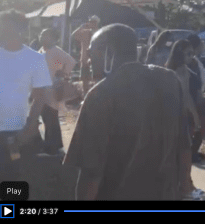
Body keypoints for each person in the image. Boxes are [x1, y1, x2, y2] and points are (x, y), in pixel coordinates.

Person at [63, 23, 191, 200]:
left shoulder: (101, 95)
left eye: (91, 53)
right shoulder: (170, 80)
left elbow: (91, 171)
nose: (89, 61)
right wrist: (185, 187)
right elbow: (184, 144)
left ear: (108, 53)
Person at [0, 11, 52, 195]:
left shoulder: (35, 59)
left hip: (15, 134)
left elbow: (39, 96)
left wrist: (29, 127)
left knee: (12, 184)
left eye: (4, 28)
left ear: (19, 31)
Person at [164, 39, 205, 200]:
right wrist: (195, 116)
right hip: (180, 116)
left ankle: (183, 185)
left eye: (193, 53)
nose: (192, 56)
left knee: (176, 153)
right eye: (189, 53)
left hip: (171, 115)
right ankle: (185, 187)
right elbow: (185, 95)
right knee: (184, 153)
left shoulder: (168, 69)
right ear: (179, 54)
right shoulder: (181, 70)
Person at [38, 28, 77, 154]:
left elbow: (71, 62)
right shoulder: (42, 50)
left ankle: (52, 145)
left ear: (53, 38)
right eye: (41, 34)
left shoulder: (56, 51)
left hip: (52, 88)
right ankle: (53, 143)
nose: (41, 37)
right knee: (46, 116)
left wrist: (62, 73)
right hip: (42, 88)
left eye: (45, 35)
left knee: (50, 116)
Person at [186, 34, 205, 163]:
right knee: (196, 127)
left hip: (199, 97)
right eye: (201, 42)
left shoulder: (196, 60)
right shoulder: (190, 61)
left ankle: (194, 151)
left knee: (199, 127)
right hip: (193, 98)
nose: (203, 44)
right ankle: (191, 153)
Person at [72, 15, 100, 97]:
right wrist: (81, 27)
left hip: (96, 60)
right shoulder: (85, 32)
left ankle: (95, 96)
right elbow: (73, 35)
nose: (91, 23)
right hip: (84, 60)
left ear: (97, 23)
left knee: (96, 79)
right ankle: (85, 96)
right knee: (84, 79)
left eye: (93, 22)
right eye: (90, 21)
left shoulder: (100, 33)